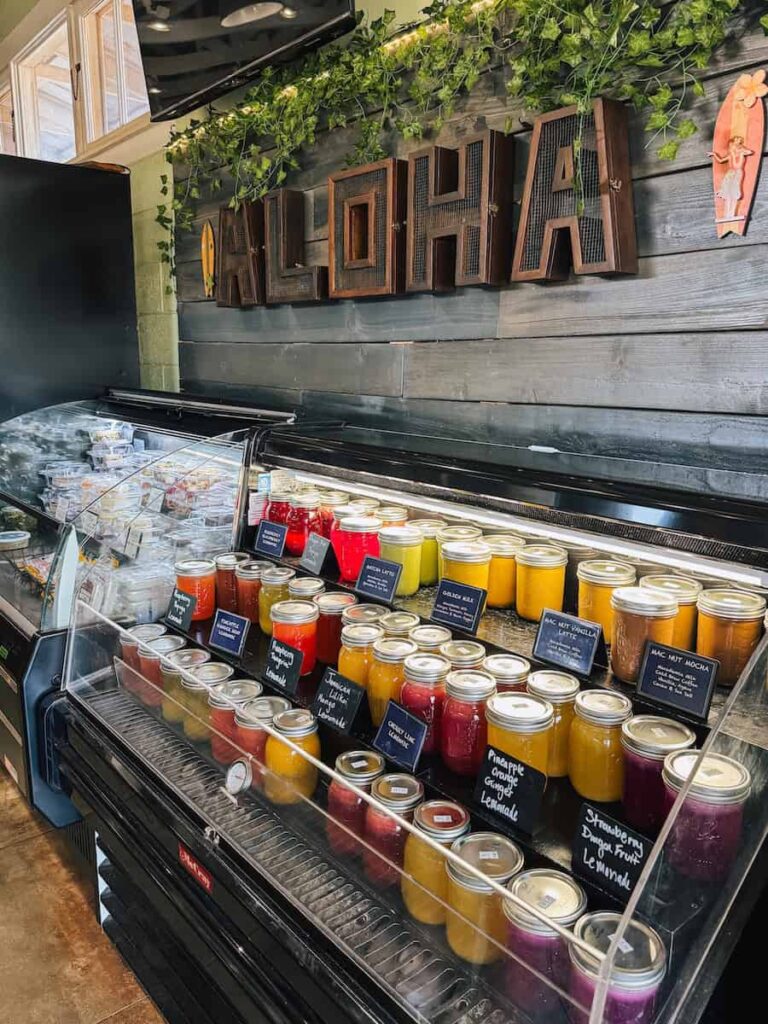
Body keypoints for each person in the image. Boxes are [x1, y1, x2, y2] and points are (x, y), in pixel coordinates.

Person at [709, 136, 754, 221]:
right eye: (731, 145)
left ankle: (732, 214)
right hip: (730, 174)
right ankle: (727, 215)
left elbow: (750, 152)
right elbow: (721, 160)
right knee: (727, 194)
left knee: (734, 193)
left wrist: (740, 149)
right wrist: (714, 154)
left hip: (737, 173)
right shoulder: (730, 155)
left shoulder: (741, 153)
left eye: (734, 145)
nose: (732, 147)